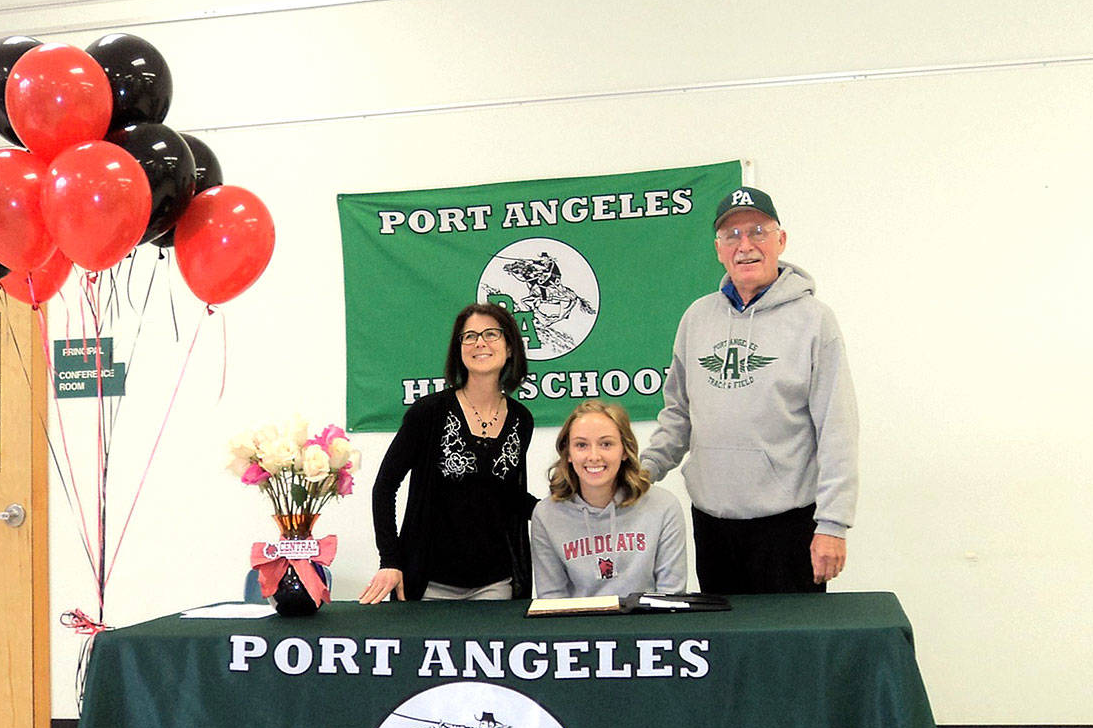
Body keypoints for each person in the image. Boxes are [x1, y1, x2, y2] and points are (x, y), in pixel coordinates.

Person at [640, 186, 858, 594]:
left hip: (789, 528)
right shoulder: (696, 318)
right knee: (726, 651)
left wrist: (833, 524)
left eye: (758, 231)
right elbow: (678, 415)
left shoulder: (814, 321)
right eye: (732, 236)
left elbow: (838, 429)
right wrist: (642, 472)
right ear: (718, 249)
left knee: (789, 651)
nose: (746, 246)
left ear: (781, 240)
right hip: (712, 524)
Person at [359, 302, 535, 603]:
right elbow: (385, 486)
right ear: (459, 350)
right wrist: (390, 560)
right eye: (469, 336)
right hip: (429, 583)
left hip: (497, 583)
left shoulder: (521, 419)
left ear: (510, 348)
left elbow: (509, 496)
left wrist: (564, 510)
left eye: (491, 334)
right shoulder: (428, 413)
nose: (480, 342)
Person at [531, 400, 686, 598]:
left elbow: (671, 596)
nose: (594, 456)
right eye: (581, 445)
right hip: (577, 626)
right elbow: (551, 601)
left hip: (647, 624)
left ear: (624, 450)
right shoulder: (546, 515)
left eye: (606, 444)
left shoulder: (664, 506)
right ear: (568, 453)